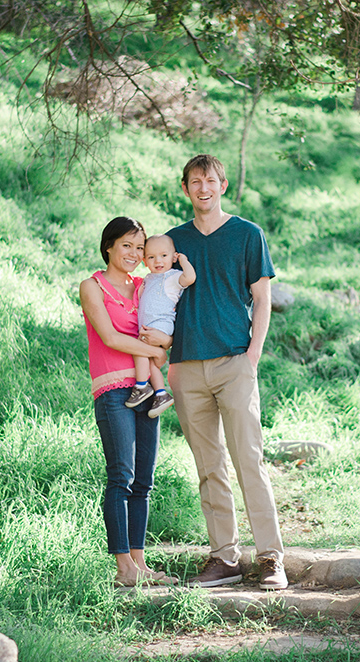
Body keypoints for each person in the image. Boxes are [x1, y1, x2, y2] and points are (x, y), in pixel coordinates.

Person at [141, 154, 287, 590]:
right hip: (186, 367)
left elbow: (262, 300)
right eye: (194, 181)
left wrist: (252, 357)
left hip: (234, 362)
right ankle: (224, 557)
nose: (203, 187)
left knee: (249, 459)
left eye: (210, 180)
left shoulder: (247, 235)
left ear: (222, 185)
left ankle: (269, 558)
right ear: (184, 188)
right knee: (209, 466)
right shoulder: (171, 242)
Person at [80, 217, 177, 587]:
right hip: (113, 390)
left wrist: (163, 346)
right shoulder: (92, 286)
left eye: (140, 248)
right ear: (109, 246)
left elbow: (163, 331)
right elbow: (110, 337)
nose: (135, 254)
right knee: (122, 476)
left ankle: (140, 563)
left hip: (147, 389)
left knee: (144, 481)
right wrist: (154, 350)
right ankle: (123, 568)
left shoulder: (146, 285)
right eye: (127, 246)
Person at [124, 234, 197, 418]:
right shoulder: (149, 278)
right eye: (151, 257)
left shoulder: (172, 277)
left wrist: (184, 260)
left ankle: (141, 386)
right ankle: (160, 393)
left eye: (164, 256)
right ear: (145, 261)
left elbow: (189, 278)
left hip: (161, 325)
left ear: (173, 257)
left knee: (139, 349)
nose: (158, 261)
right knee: (150, 363)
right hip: (149, 326)